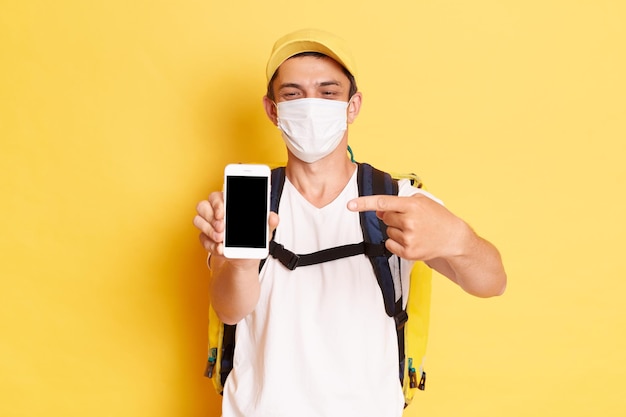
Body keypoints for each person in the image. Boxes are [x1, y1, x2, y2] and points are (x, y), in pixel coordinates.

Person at [193, 28, 507, 417]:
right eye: (292, 94)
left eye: (328, 93)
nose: (311, 105)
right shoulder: (247, 200)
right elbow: (229, 310)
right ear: (272, 110)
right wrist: (239, 262)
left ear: (352, 106)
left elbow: (493, 282)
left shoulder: (400, 201)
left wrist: (459, 239)